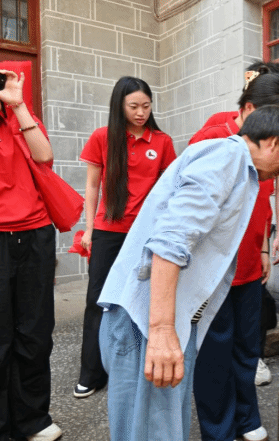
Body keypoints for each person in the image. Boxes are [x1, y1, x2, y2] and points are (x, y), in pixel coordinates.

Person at [97, 105, 279, 441]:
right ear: (273, 144)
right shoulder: (227, 157)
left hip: (165, 315)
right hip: (147, 319)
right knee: (149, 432)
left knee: (165, 426)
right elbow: (169, 243)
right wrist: (162, 331)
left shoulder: (239, 166)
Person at [189, 62, 279, 441]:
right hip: (215, 267)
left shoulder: (269, 145)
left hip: (249, 259)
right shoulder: (214, 137)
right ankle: (218, 429)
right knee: (214, 352)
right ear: (249, 109)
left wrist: (264, 248)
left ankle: (247, 418)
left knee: (248, 346)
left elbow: (262, 201)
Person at [75, 76, 176, 399]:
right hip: (109, 231)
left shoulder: (162, 141)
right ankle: (91, 373)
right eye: (133, 106)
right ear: (119, 106)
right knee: (98, 301)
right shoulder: (102, 137)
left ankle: (137, 366)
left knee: (142, 300)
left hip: (146, 234)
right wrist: (89, 228)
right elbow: (93, 185)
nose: (141, 112)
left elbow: (169, 189)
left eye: (146, 106)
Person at [0, 62, 62, 441]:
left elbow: (44, 156)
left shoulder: (21, 117)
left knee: (36, 332)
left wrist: (18, 105)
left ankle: (33, 418)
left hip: (35, 233)